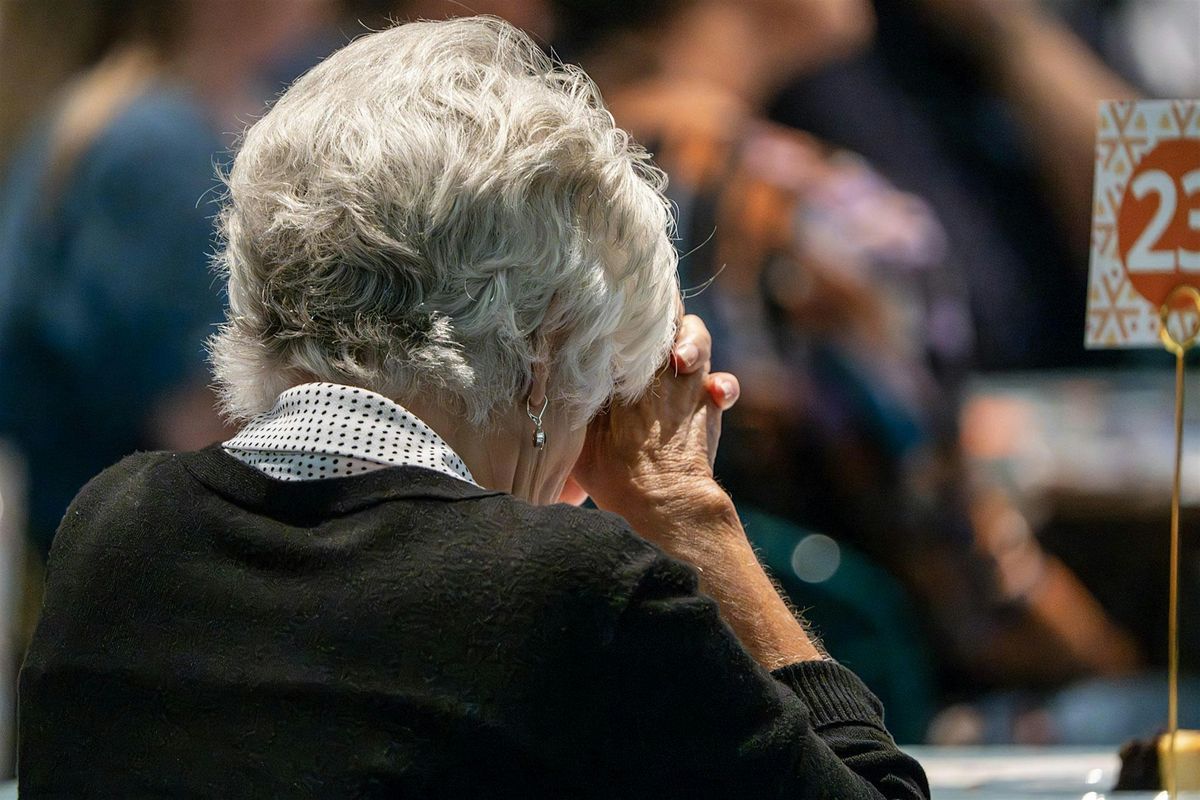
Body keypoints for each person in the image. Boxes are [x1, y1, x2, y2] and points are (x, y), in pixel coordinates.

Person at [18, 17, 929, 798]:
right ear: (543, 353)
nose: (578, 470)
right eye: (596, 393)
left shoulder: (115, 531)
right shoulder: (578, 592)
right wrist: (688, 510)